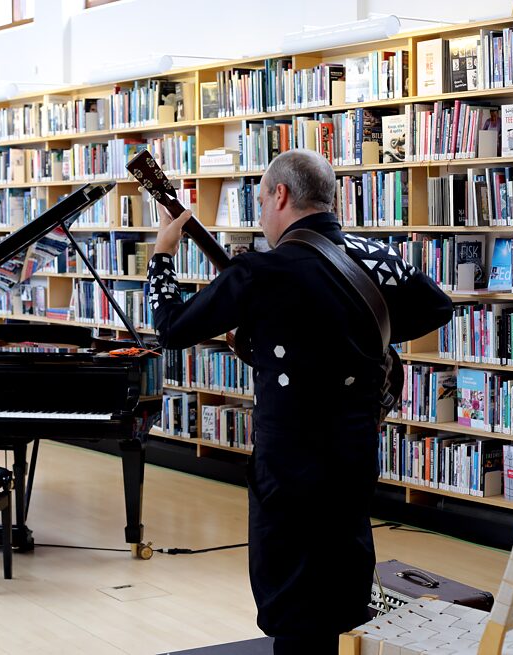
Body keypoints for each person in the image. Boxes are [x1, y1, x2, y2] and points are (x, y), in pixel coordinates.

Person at [147, 150, 453, 652]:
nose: (262, 214)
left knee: (289, 588)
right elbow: (437, 306)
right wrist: (358, 340)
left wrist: (163, 254)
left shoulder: (260, 272)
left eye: (262, 200)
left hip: (288, 460)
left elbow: (171, 327)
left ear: (281, 195)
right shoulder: (375, 257)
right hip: (354, 451)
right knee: (344, 565)